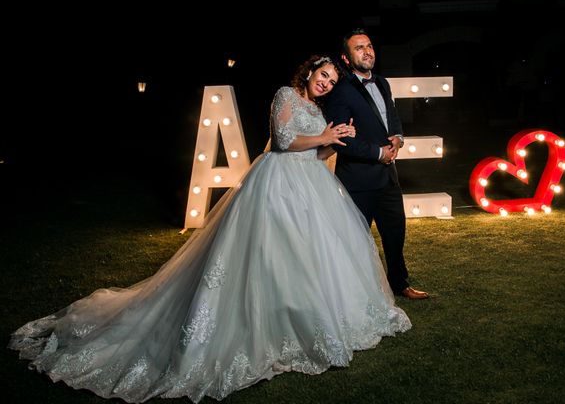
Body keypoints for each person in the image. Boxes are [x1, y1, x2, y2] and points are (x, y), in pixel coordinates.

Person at [8, 55, 411, 403]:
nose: (325, 83)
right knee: (268, 254)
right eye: (322, 75)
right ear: (307, 73)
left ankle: (310, 317)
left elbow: (317, 151)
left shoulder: (322, 112)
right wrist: (323, 135)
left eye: (331, 81)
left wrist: (336, 138)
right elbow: (285, 141)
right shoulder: (284, 96)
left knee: (314, 256)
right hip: (277, 185)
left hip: (311, 186)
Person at [325, 29, 430, 300]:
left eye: (369, 46)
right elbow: (340, 138)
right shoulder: (340, 91)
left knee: (395, 233)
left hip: (388, 178)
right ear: (346, 59)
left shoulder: (383, 82)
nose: (367, 51)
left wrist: (398, 137)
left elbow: (392, 116)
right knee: (356, 241)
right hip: (358, 181)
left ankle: (400, 284)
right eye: (359, 48)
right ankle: (358, 292)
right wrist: (377, 153)